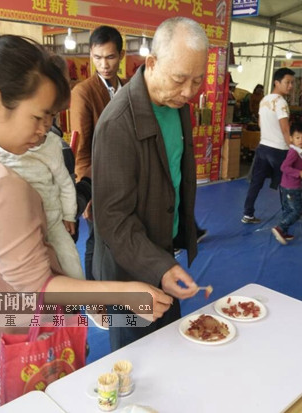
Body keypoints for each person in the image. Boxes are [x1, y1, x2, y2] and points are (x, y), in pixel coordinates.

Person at [0, 9, 172, 410]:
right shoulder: (1, 186)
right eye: (39, 116)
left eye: (51, 118)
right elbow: (40, 289)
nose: (44, 130)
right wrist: (125, 292)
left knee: (4, 398)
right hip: (20, 333)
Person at [92, 17, 207, 351]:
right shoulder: (117, 123)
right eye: (180, 79)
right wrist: (161, 266)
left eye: (197, 80)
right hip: (127, 268)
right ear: (152, 63)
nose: (188, 91)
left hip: (161, 251)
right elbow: (112, 220)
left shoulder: (177, 105)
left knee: (172, 346)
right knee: (136, 361)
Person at [69, 25, 126, 281]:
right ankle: (94, 296)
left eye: (110, 57)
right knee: (96, 238)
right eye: (97, 57)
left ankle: (118, 284)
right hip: (97, 180)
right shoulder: (84, 92)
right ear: (91, 55)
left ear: (121, 55)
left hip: (126, 178)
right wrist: (86, 188)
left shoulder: (129, 88)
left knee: (121, 235)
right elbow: (81, 147)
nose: (104, 64)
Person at [0, 131, 85, 280]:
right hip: (20, 223)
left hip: (52, 220)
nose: (42, 126)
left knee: (71, 261)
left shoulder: (52, 144)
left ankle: (77, 298)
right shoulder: (0, 145)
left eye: (49, 117)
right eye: (36, 118)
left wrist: (69, 215)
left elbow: (65, 183)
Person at [242, 67, 295, 224]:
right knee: (286, 182)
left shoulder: (265, 99)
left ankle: (247, 214)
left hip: (263, 147)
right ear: (277, 83)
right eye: (287, 82)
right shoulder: (281, 102)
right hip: (279, 149)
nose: (290, 86)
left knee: (256, 182)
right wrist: (294, 150)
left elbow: (260, 123)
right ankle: (289, 213)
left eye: (292, 83)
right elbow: (285, 129)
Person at [271, 121, 302, 245]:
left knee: (288, 210)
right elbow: (284, 167)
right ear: (291, 138)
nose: (301, 140)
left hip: (286, 186)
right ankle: (280, 228)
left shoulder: (297, 151)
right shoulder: (293, 152)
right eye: (297, 137)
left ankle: (284, 231)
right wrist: (299, 174)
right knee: (297, 211)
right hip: (292, 187)